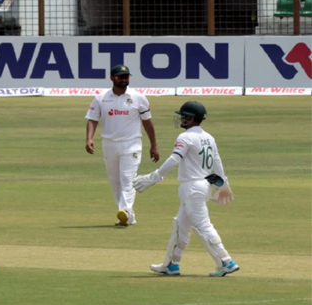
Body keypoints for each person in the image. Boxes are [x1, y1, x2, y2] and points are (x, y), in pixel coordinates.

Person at [133, 101, 239, 277]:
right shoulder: (209, 137)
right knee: (180, 224)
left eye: (183, 116)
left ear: (190, 118)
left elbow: (174, 159)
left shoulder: (186, 137)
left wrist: (154, 177)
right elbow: (217, 161)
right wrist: (223, 183)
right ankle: (171, 264)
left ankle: (226, 261)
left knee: (203, 225)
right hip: (203, 186)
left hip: (192, 187)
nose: (181, 118)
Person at [85, 64, 159, 227]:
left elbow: (148, 123)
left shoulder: (138, 97)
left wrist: (153, 145)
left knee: (127, 179)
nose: (123, 80)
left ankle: (124, 210)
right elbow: (92, 119)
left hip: (131, 144)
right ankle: (129, 216)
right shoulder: (101, 97)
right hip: (109, 144)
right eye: (119, 77)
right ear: (112, 78)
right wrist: (89, 138)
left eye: (126, 77)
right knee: (115, 181)